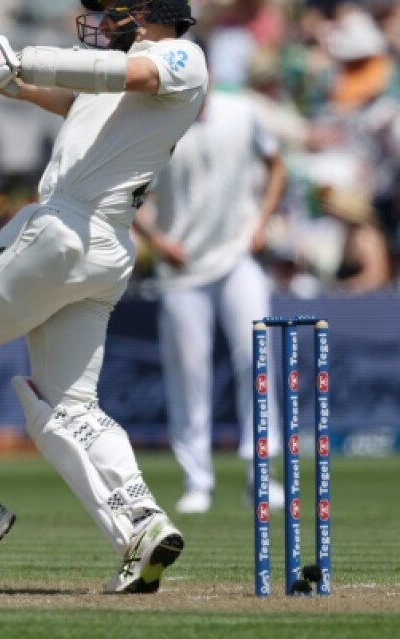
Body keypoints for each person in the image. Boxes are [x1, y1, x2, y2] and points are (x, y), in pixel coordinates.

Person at [0, 0, 207, 594]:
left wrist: (15, 55)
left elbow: (110, 69)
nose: (98, 20)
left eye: (111, 8)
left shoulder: (181, 57)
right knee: (68, 406)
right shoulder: (110, 93)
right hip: (102, 252)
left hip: (66, 230)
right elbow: (34, 87)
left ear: (146, 9)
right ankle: (141, 527)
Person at [131, 88, 286, 515]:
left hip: (237, 257)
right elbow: (129, 197)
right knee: (189, 372)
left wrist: (262, 222)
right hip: (181, 269)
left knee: (256, 359)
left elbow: (276, 166)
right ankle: (197, 479)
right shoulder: (158, 124)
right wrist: (159, 242)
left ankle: (262, 475)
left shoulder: (243, 112)